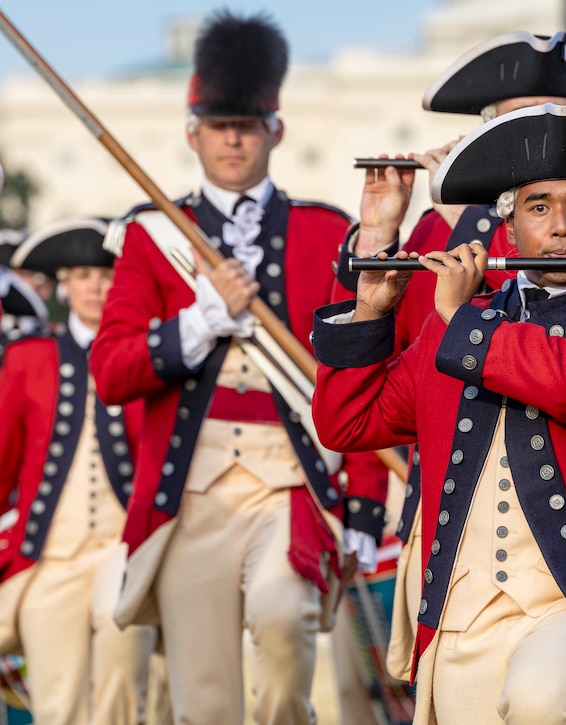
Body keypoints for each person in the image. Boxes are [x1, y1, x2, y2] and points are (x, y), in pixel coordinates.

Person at [312, 99, 566, 724]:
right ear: (508, 231)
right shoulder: (450, 330)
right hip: (461, 613)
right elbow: (349, 423)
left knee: (543, 702)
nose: (561, 226)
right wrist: (372, 297)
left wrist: (459, 316)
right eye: (539, 207)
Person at [89, 11, 385, 724]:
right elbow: (113, 369)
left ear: (274, 130)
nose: (232, 138)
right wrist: (198, 324)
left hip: (290, 486)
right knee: (206, 698)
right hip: (188, 493)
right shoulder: (151, 237)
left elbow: (358, 375)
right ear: (192, 130)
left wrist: (366, 503)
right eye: (218, 123)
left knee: (286, 628)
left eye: (247, 124)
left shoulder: (322, 231)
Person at [0, 219, 157, 724]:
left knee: (120, 701)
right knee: (56, 705)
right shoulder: (26, 359)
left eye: (107, 275)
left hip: (125, 552)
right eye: (84, 275)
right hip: (50, 558)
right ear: (64, 283)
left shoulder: (147, 359)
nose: (95, 287)